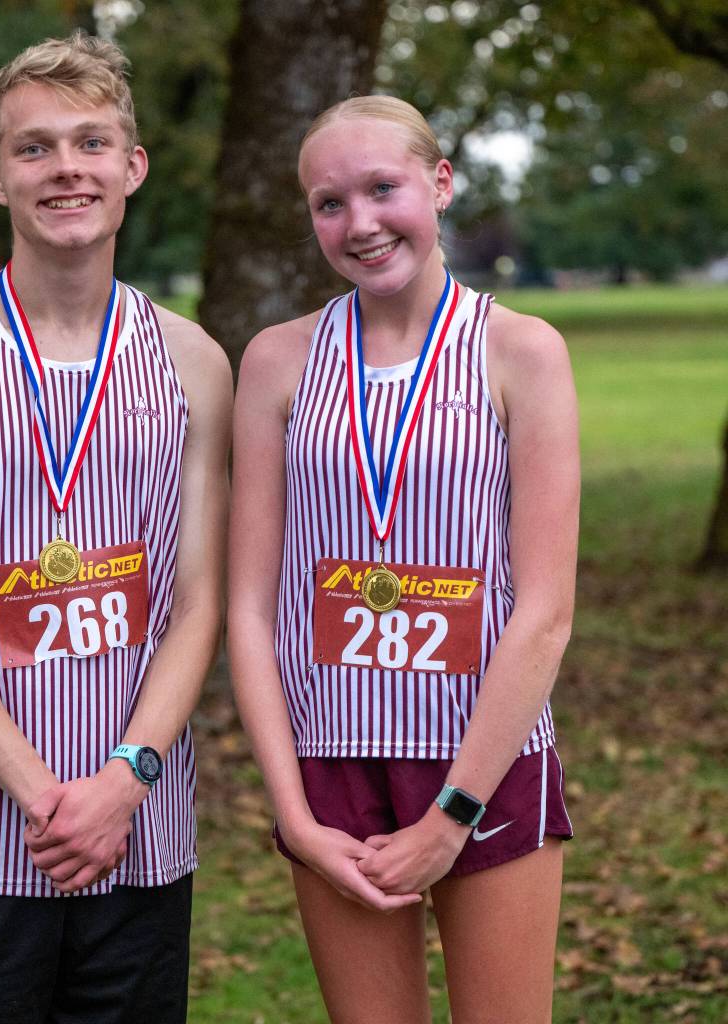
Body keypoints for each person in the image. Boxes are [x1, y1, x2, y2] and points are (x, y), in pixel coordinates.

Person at [0, 31, 232, 1024]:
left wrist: (124, 783)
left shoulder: (194, 362)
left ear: (132, 165)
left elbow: (199, 602)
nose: (65, 167)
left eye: (90, 142)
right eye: (35, 148)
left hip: (138, 839)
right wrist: (50, 798)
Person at [228, 95, 577, 1024]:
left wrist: (451, 815)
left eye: (384, 189)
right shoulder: (276, 361)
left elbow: (543, 611)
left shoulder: (522, 353)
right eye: (328, 204)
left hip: (482, 763)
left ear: (440, 183)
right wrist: (296, 816)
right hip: (330, 766)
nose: (361, 224)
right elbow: (250, 612)